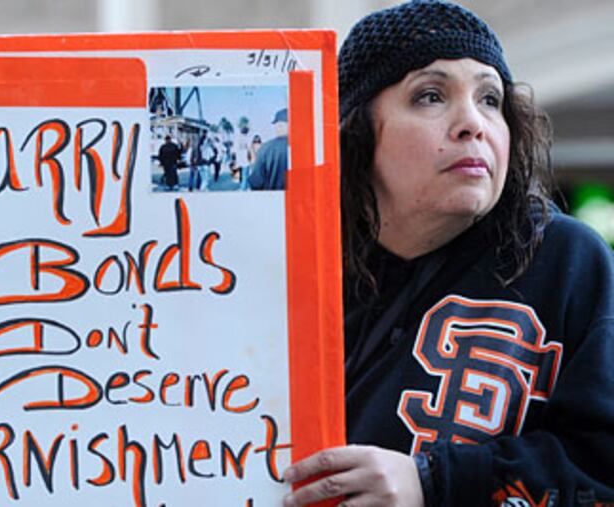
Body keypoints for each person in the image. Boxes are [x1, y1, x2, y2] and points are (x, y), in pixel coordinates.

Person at [282, 2, 614, 506]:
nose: (472, 123)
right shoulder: (293, 268)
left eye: (490, 99)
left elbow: (602, 468)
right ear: (357, 132)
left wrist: (435, 482)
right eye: (430, 96)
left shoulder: (568, 260)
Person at [248, 108, 289, 190]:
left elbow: (256, 182)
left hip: (272, 195)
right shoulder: (303, 148)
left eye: (277, 125)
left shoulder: (265, 148)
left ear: (280, 125)